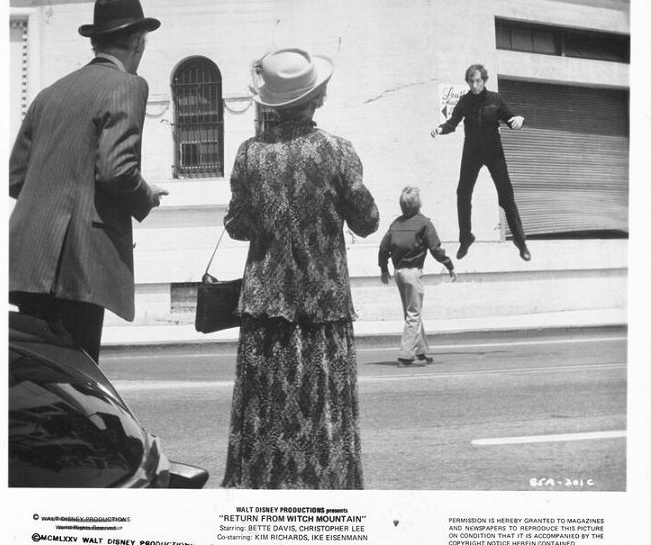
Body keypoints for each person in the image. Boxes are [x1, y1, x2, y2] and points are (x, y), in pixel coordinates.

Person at [221, 47, 380, 489]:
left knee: (266, 410)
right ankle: (325, 490)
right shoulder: (337, 151)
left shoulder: (249, 155)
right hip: (323, 303)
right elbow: (367, 221)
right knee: (323, 410)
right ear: (317, 98)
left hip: (266, 304)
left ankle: (265, 490)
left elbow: (237, 227)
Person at [9, 0, 168, 362]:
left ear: (95, 42)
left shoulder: (49, 94)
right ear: (136, 43)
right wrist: (146, 194)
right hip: (77, 264)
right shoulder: (128, 85)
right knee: (77, 379)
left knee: (41, 379)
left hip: (27, 260)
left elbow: (16, 178)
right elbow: (116, 169)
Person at [431, 63, 531, 261]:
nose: (475, 85)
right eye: (471, 81)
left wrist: (520, 120)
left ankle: (521, 242)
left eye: (478, 81)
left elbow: (512, 120)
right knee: (463, 193)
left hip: (494, 152)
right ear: (468, 82)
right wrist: (441, 129)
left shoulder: (495, 99)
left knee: (506, 196)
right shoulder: (464, 101)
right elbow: (452, 123)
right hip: (472, 152)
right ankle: (466, 238)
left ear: (484, 80)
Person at [379, 186, 456, 367]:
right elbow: (435, 249)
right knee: (413, 314)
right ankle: (405, 355)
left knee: (411, 312)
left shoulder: (395, 224)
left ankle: (422, 351)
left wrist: (384, 270)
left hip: (398, 273)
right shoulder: (424, 223)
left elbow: (383, 248)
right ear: (419, 203)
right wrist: (449, 265)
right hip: (413, 273)